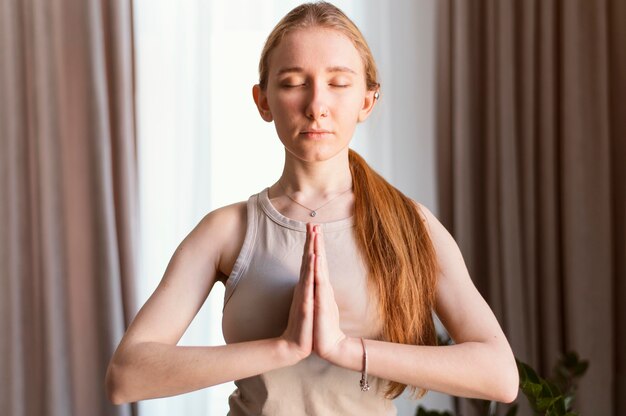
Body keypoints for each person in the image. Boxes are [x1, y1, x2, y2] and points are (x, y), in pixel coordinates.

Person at [105, 2, 519, 414]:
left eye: (338, 83)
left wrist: (344, 349)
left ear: (367, 101)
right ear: (263, 101)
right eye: (292, 83)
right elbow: (127, 376)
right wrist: (283, 347)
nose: (316, 104)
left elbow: (499, 375)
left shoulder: (411, 226)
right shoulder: (226, 231)